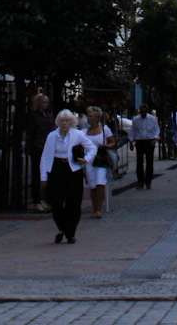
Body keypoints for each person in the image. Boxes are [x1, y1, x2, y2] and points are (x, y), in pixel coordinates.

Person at [39, 109, 91, 243]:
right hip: (56, 168)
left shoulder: (78, 134)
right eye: (62, 121)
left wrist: (86, 159)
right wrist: (43, 177)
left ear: (72, 122)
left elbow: (92, 148)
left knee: (74, 201)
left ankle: (70, 232)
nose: (64, 123)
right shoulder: (52, 136)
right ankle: (62, 227)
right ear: (58, 122)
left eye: (67, 121)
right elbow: (45, 156)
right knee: (55, 201)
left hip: (73, 169)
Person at [23, 94, 53, 213]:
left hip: (48, 147)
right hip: (38, 147)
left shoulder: (49, 116)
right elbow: (30, 132)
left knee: (49, 173)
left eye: (47, 102)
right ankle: (37, 200)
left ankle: (46, 200)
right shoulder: (34, 116)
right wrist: (28, 146)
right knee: (37, 174)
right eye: (44, 102)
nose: (46, 104)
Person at [84, 106, 113, 218]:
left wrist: (105, 146)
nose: (88, 118)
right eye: (88, 116)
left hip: (101, 159)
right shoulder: (84, 131)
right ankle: (94, 208)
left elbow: (112, 143)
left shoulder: (104, 129)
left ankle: (99, 209)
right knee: (93, 185)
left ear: (97, 118)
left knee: (100, 182)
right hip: (89, 160)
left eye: (90, 116)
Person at [130, 105, 160, 189]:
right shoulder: (136, 120)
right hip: (140, 141)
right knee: (139, 162)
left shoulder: (151, 119)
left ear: (147, 111)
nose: (143, 114)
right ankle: (140, 181)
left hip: (149, 141)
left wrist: (155, 138)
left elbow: (157, 129)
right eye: (142, 112)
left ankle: (148, 182)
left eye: (144, 112)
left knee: (149, 162)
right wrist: (131, 142)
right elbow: (133, 130)